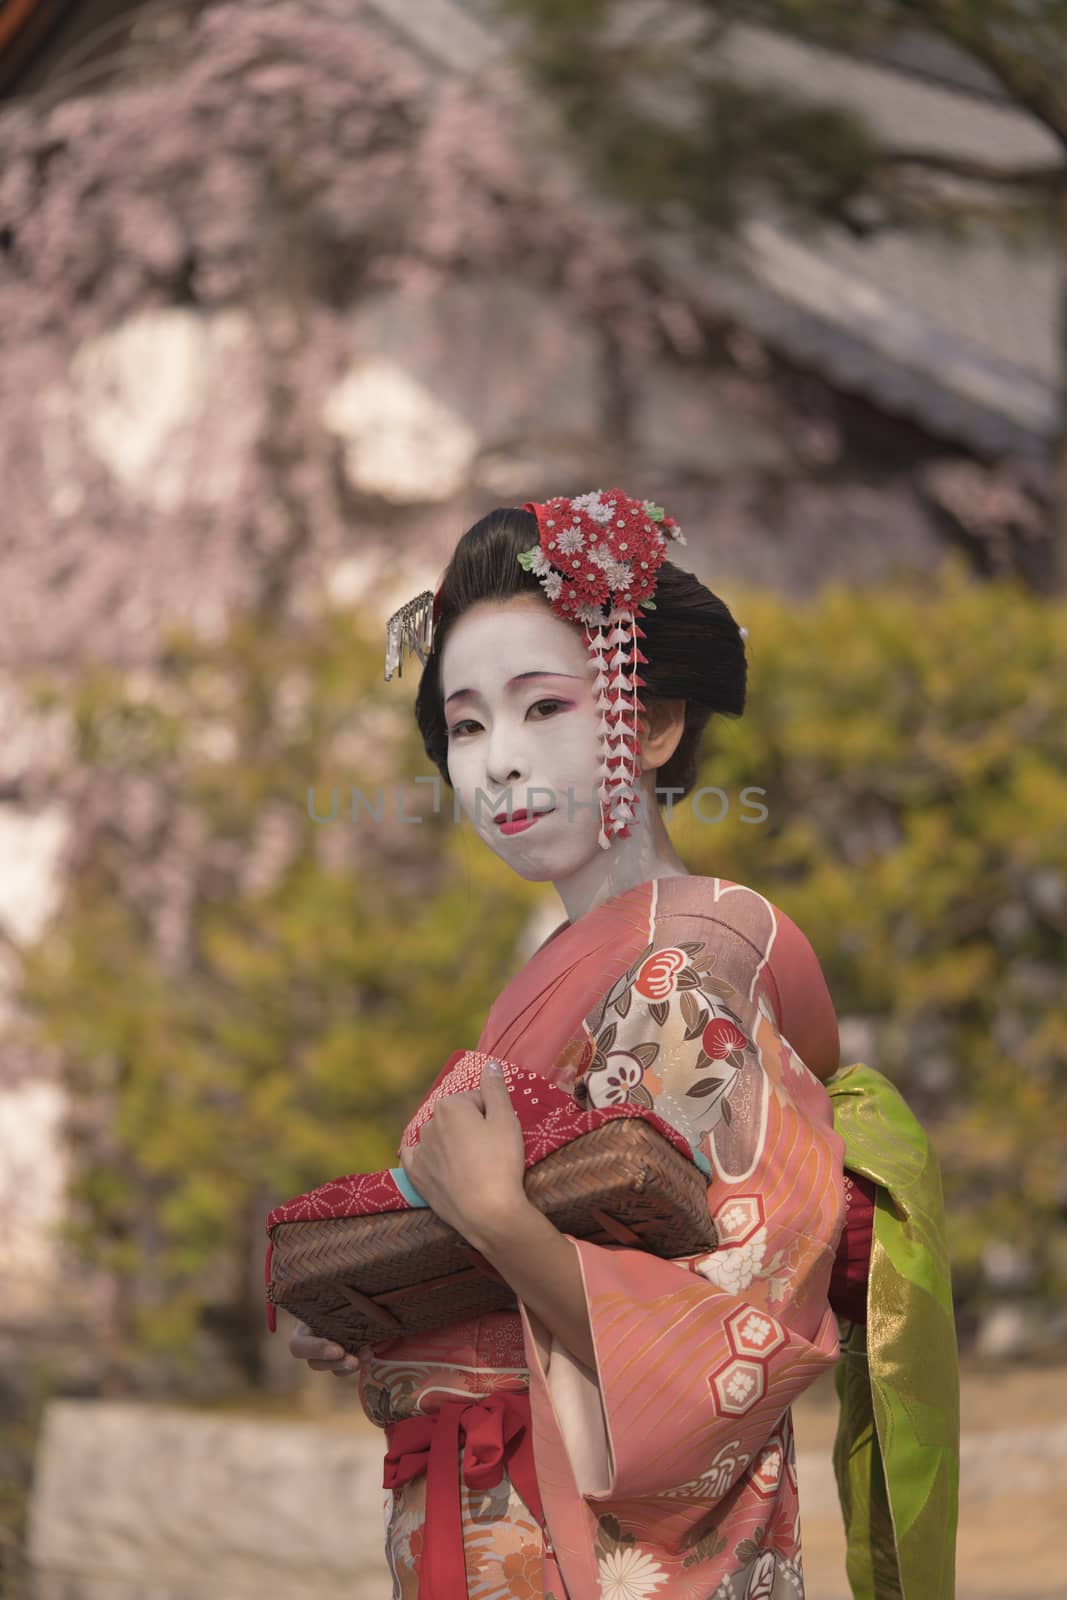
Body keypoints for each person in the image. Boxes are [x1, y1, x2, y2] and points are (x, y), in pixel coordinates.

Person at [288, 492, 959, 1599]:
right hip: (496, 1524)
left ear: (649, 726)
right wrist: (387, 1314)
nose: (497, 762)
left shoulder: (683, 974)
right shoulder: (569, 966)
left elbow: (727, 1344)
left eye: (540, 706)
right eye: (464, 725)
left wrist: (498, 1219)